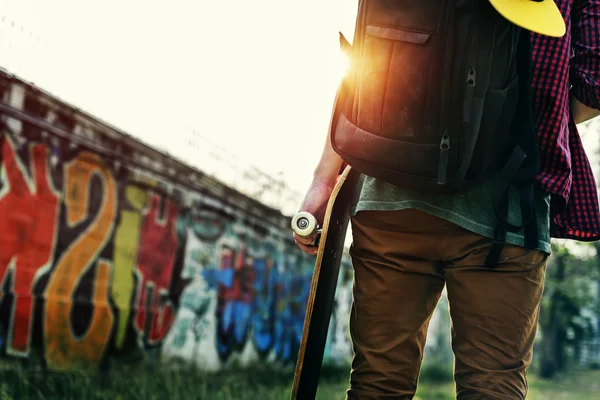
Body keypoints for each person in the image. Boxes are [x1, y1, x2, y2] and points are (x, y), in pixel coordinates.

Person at [294, 0, 600, 398]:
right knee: (493, 386)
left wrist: (323, 179)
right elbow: (595, 83)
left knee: (378, 383)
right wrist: (508, 122)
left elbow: (369, 60)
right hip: (506, 206)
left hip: (391, 191)